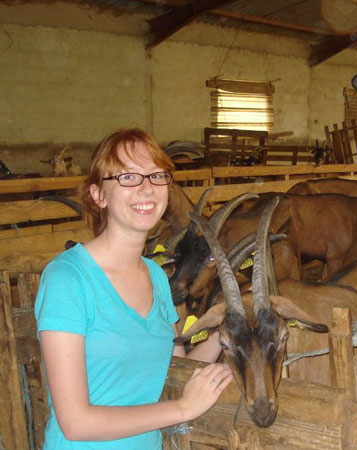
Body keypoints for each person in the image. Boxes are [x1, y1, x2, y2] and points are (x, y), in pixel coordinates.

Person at [35, 128, 232, 449]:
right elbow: (75, 422)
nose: (147, 189)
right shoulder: (68, 279)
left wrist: (225, 333)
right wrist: (182, 408)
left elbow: (177, 364)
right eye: (128, 177)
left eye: (156, 176)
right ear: (98, 195)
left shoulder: (156, 276)